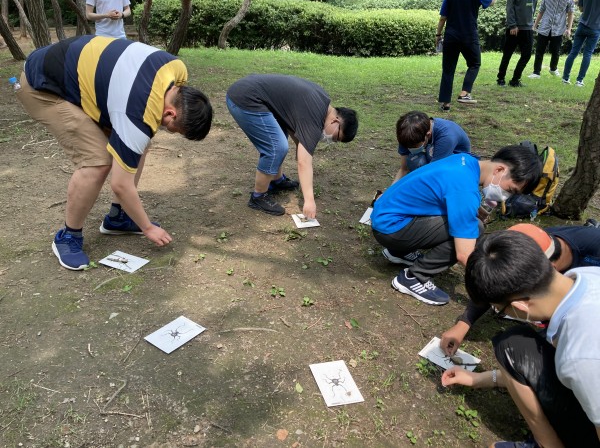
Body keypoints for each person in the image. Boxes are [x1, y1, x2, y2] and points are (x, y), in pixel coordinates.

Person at [16, 35, 213, 270]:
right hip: (42, 86)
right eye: (174, 130)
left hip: (74, 74)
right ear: (170, 113)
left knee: (139, 145)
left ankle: (118, 218)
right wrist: (148, 228)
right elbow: (121, 184)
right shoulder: (137, 114)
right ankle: (68, 237)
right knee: (97, 161)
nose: (168, 132)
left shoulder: (176, 71)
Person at [442, 230, 600, 447]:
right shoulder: (587, 275)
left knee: (510, 347)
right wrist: (479, 379)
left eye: (499, 309)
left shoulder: (581, 358)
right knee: (518, 346)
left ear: (520, 305)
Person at [371, 146, 541, 305]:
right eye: (510, 190)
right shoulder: (465, 189)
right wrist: (497, 287)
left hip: (385, 217)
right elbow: (464, 254)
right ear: (500, 170)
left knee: (467, 222)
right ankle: (414, 277)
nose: (505, 197)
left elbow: (442, 195)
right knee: (476, 228)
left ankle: (399, 252)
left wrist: (472, 209)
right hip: (391, 229)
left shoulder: (465, 161)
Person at [440, 222, 600, 355]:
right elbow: (496, 287)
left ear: (551, 269)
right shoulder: (533, 244)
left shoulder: (592, 255)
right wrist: (464, 323)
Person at [226, 74, 358, 217]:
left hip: (253, 94)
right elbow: (303, 162)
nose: (331, 140)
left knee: (280, 138)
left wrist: (303, 151)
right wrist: (309, 201)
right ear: (335, 121)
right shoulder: (315, 118)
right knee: (277, 147)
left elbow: (297, 134)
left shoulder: (322, 103)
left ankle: (277, 180)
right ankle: (258, 196)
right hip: (245, 98)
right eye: (336, 137)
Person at [436, 0, 497, 111]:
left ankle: (446, 104)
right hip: (469, 35)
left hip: (451, 36)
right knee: (475, 63)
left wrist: (438, 35)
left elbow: (443, 18)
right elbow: (492, 2)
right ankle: (464, 93)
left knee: (448, 70)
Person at [393, 111, 471, 183]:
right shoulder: (406, 134)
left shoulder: (446, 137)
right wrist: (388, 194)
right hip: (435, 161)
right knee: (414, 160)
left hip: (458, 165)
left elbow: (433, 173)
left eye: (414, 146)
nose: (410, 148)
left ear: (428, 135)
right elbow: (404, 169)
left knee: (421, 164)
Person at [527, 0, 575, 79]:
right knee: (539, 51)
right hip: (544, 27)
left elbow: (570, 13)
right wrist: (534, 25)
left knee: (556, 51)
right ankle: (536, 72)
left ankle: (553, 69)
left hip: (558, 29)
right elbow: (541, 11)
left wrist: (569, 29)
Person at [497, 0, 538, 87]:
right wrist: (512, 25)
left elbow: (533, 8)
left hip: (527, 29)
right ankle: (500, 79)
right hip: (514, 28)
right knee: (507, 55)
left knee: (526, 55)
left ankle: (515, 80)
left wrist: (531, 24)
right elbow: (509, 7)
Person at [562, 0, 600, 87]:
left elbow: (581, 8)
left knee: (573, 52)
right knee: (587, 54)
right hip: (595, 28)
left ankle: (565, 78)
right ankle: (579, 81)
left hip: (582, 25)